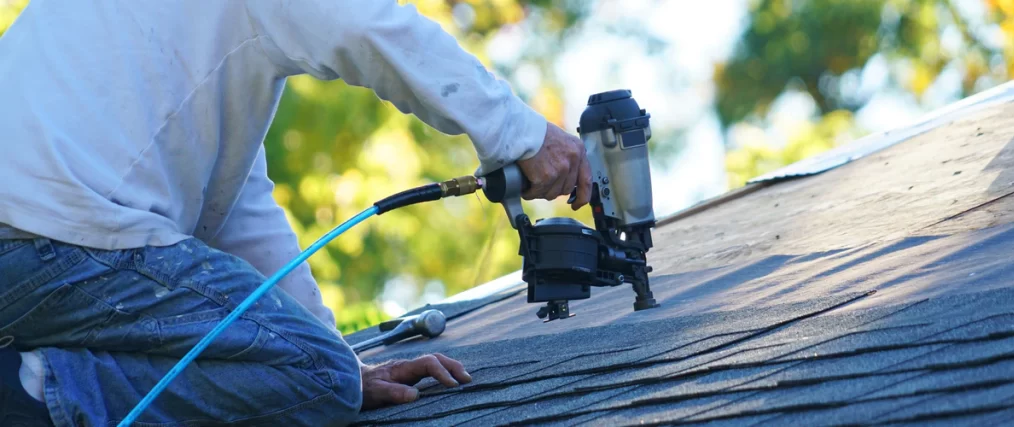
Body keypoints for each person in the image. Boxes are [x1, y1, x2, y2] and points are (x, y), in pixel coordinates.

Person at [0, 1, 592, 426]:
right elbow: (364, 24)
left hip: (38, 237)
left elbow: (236, 209)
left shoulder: (191, 51)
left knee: (323, 371)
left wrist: (337, 354)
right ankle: (29, 390)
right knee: (318, 380)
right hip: (59, 233)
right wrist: (521, 132)